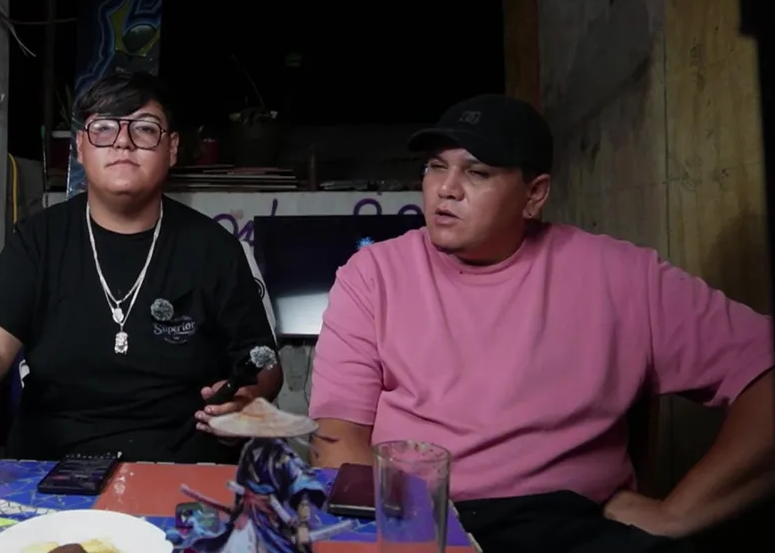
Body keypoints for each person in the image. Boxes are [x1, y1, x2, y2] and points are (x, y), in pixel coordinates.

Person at [309, 94, 775, 552]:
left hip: (568, 525)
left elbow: (764, 367)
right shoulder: (372, 277)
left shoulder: (620, 276)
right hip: (419, 521)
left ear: (534, 195)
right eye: (436, 166)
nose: (445, 189)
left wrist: (679, 513)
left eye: (477, 172)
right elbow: (338, 441)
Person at [0, 71, 282, 464]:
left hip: (178, 465)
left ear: (172, 148)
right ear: (80, 147)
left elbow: (264, 364)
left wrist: (246, 400)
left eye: (145, 129)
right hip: (50, 465)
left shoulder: (214, 249)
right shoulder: (38, 240)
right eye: (104, 128)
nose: (123, 141)